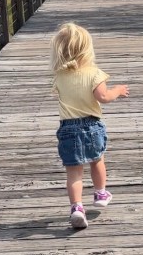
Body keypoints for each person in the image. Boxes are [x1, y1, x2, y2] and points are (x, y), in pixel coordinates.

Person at [51, 22, 129, 229]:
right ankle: (101, 192)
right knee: (97, 160)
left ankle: (77, 208)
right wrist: (118, 90)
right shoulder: (94, 73)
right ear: (87, 49)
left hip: (67, 128)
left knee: (74, 173)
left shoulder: (59, 76)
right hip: (92, 125)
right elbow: (103, 97)